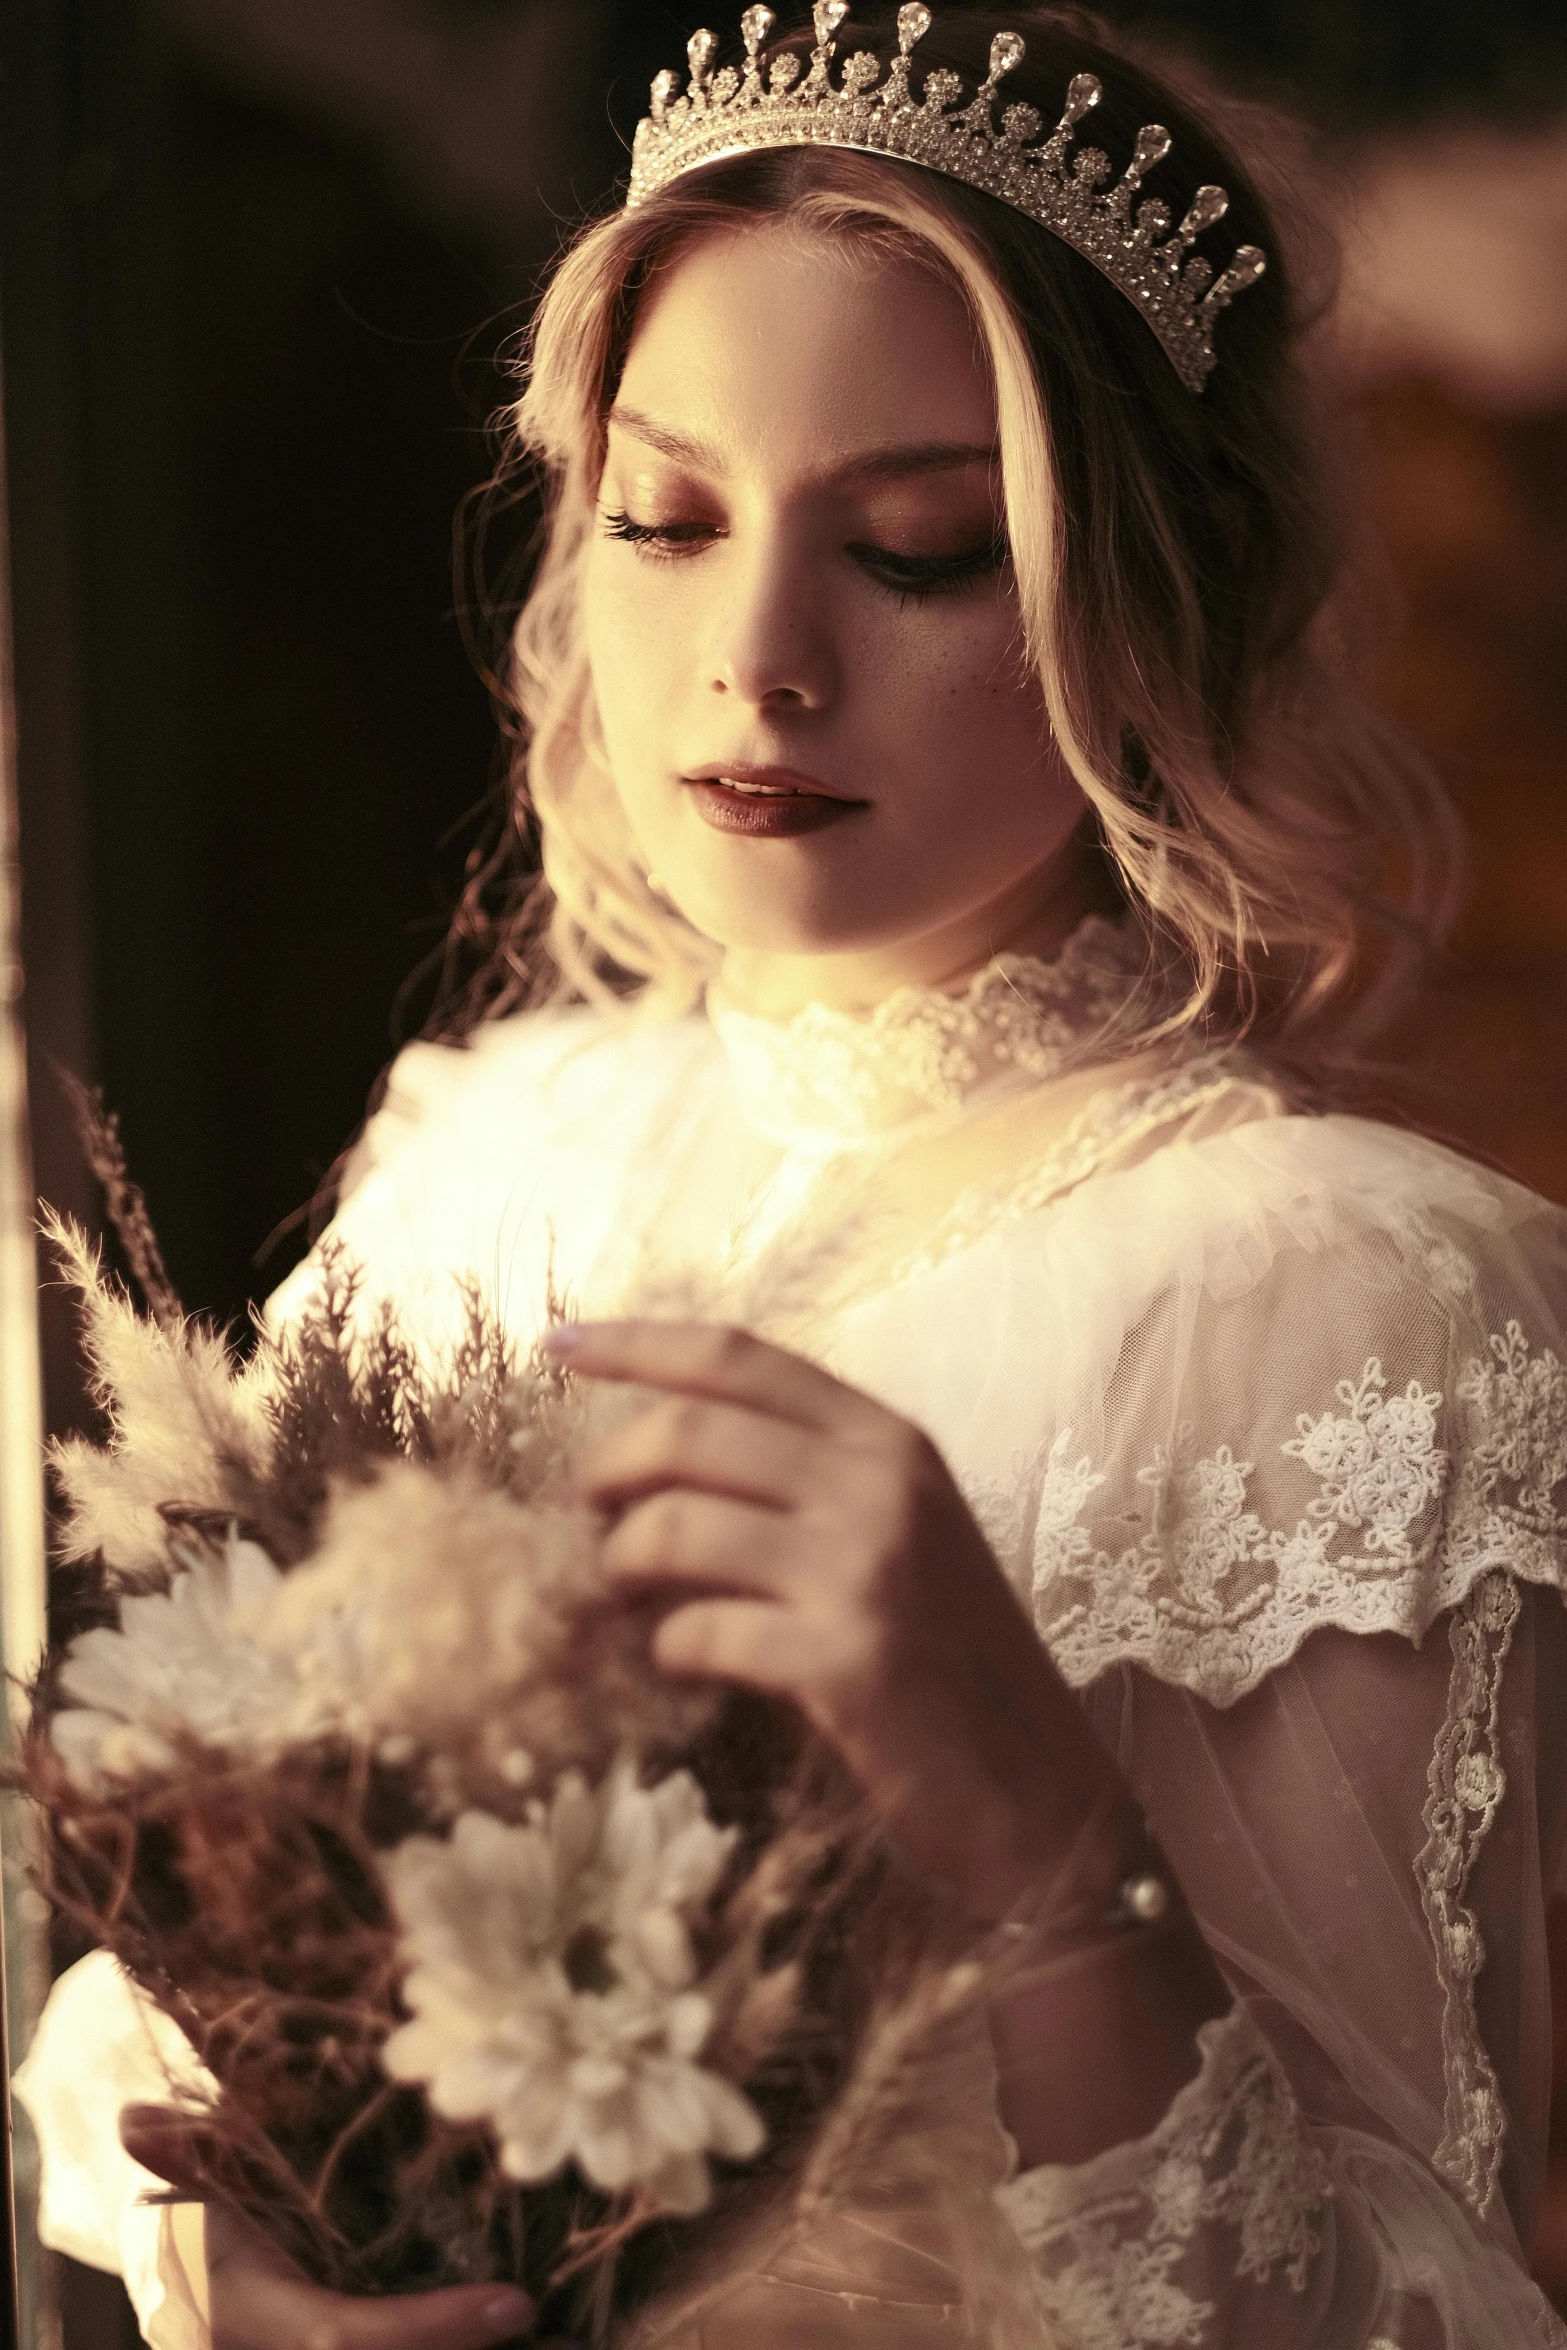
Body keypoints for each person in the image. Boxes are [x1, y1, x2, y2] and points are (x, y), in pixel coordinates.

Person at [17, 4, 1567, 2344]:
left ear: (1150, 601)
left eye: (923, 550)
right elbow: (166, 1986)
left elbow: (1394, 2309)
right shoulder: (491, 1154)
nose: (754, 658)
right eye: (669, 515)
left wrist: (1042, 1826)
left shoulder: (1340, 1300)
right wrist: (238, 2252)